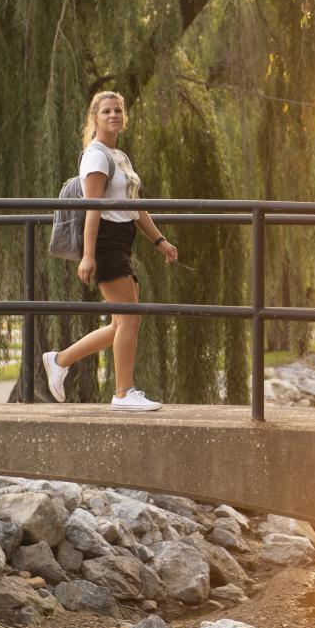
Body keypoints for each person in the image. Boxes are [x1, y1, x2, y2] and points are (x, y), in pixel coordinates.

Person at [42, 91, 178, 411]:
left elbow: (135, 205)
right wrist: (88, 255)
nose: (114, 115)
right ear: (95, 118)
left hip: (122, 240)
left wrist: (160, 242)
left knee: (121, 323)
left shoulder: (121, 157)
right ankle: (122, 394)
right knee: (130, 319)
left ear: (124, 117)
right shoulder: (96, 155)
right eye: (106, 111)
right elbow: (93, 207)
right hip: (104, 241)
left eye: (118, 110)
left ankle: (60, 361)